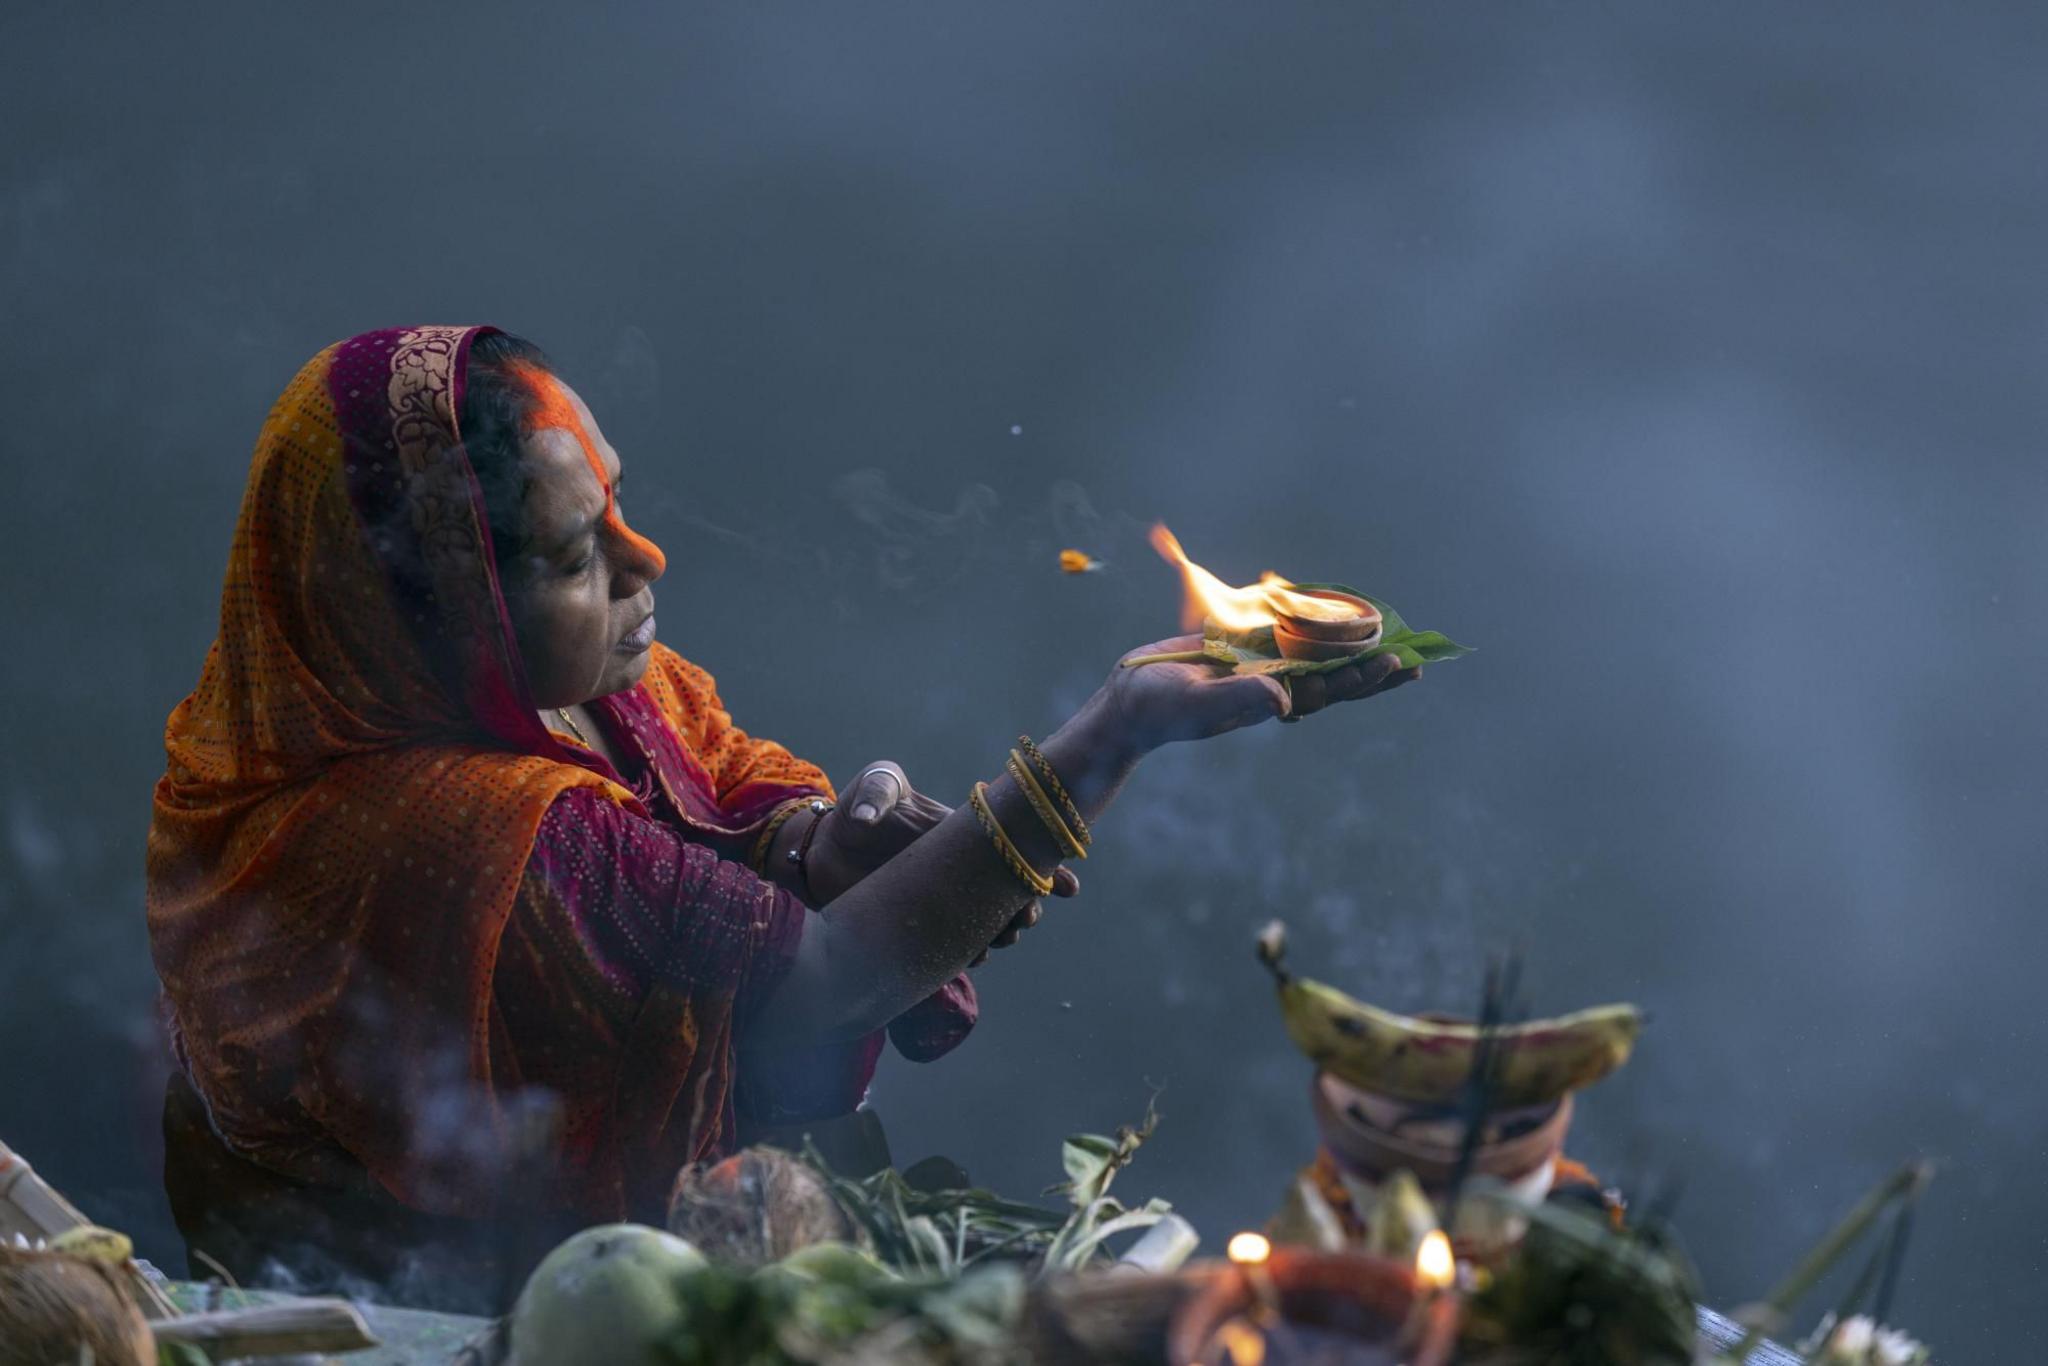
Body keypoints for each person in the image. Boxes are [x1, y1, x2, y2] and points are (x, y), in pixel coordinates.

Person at [146, 325, 1417, 1300]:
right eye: (574, 555)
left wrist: (812, 837)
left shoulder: (557, 691)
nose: (646, 562)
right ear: (430, 614)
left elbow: (722, 796)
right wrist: (1107, 739)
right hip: (424, 1288)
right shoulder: (453, 827)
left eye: (620, 507)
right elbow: (813, 983)